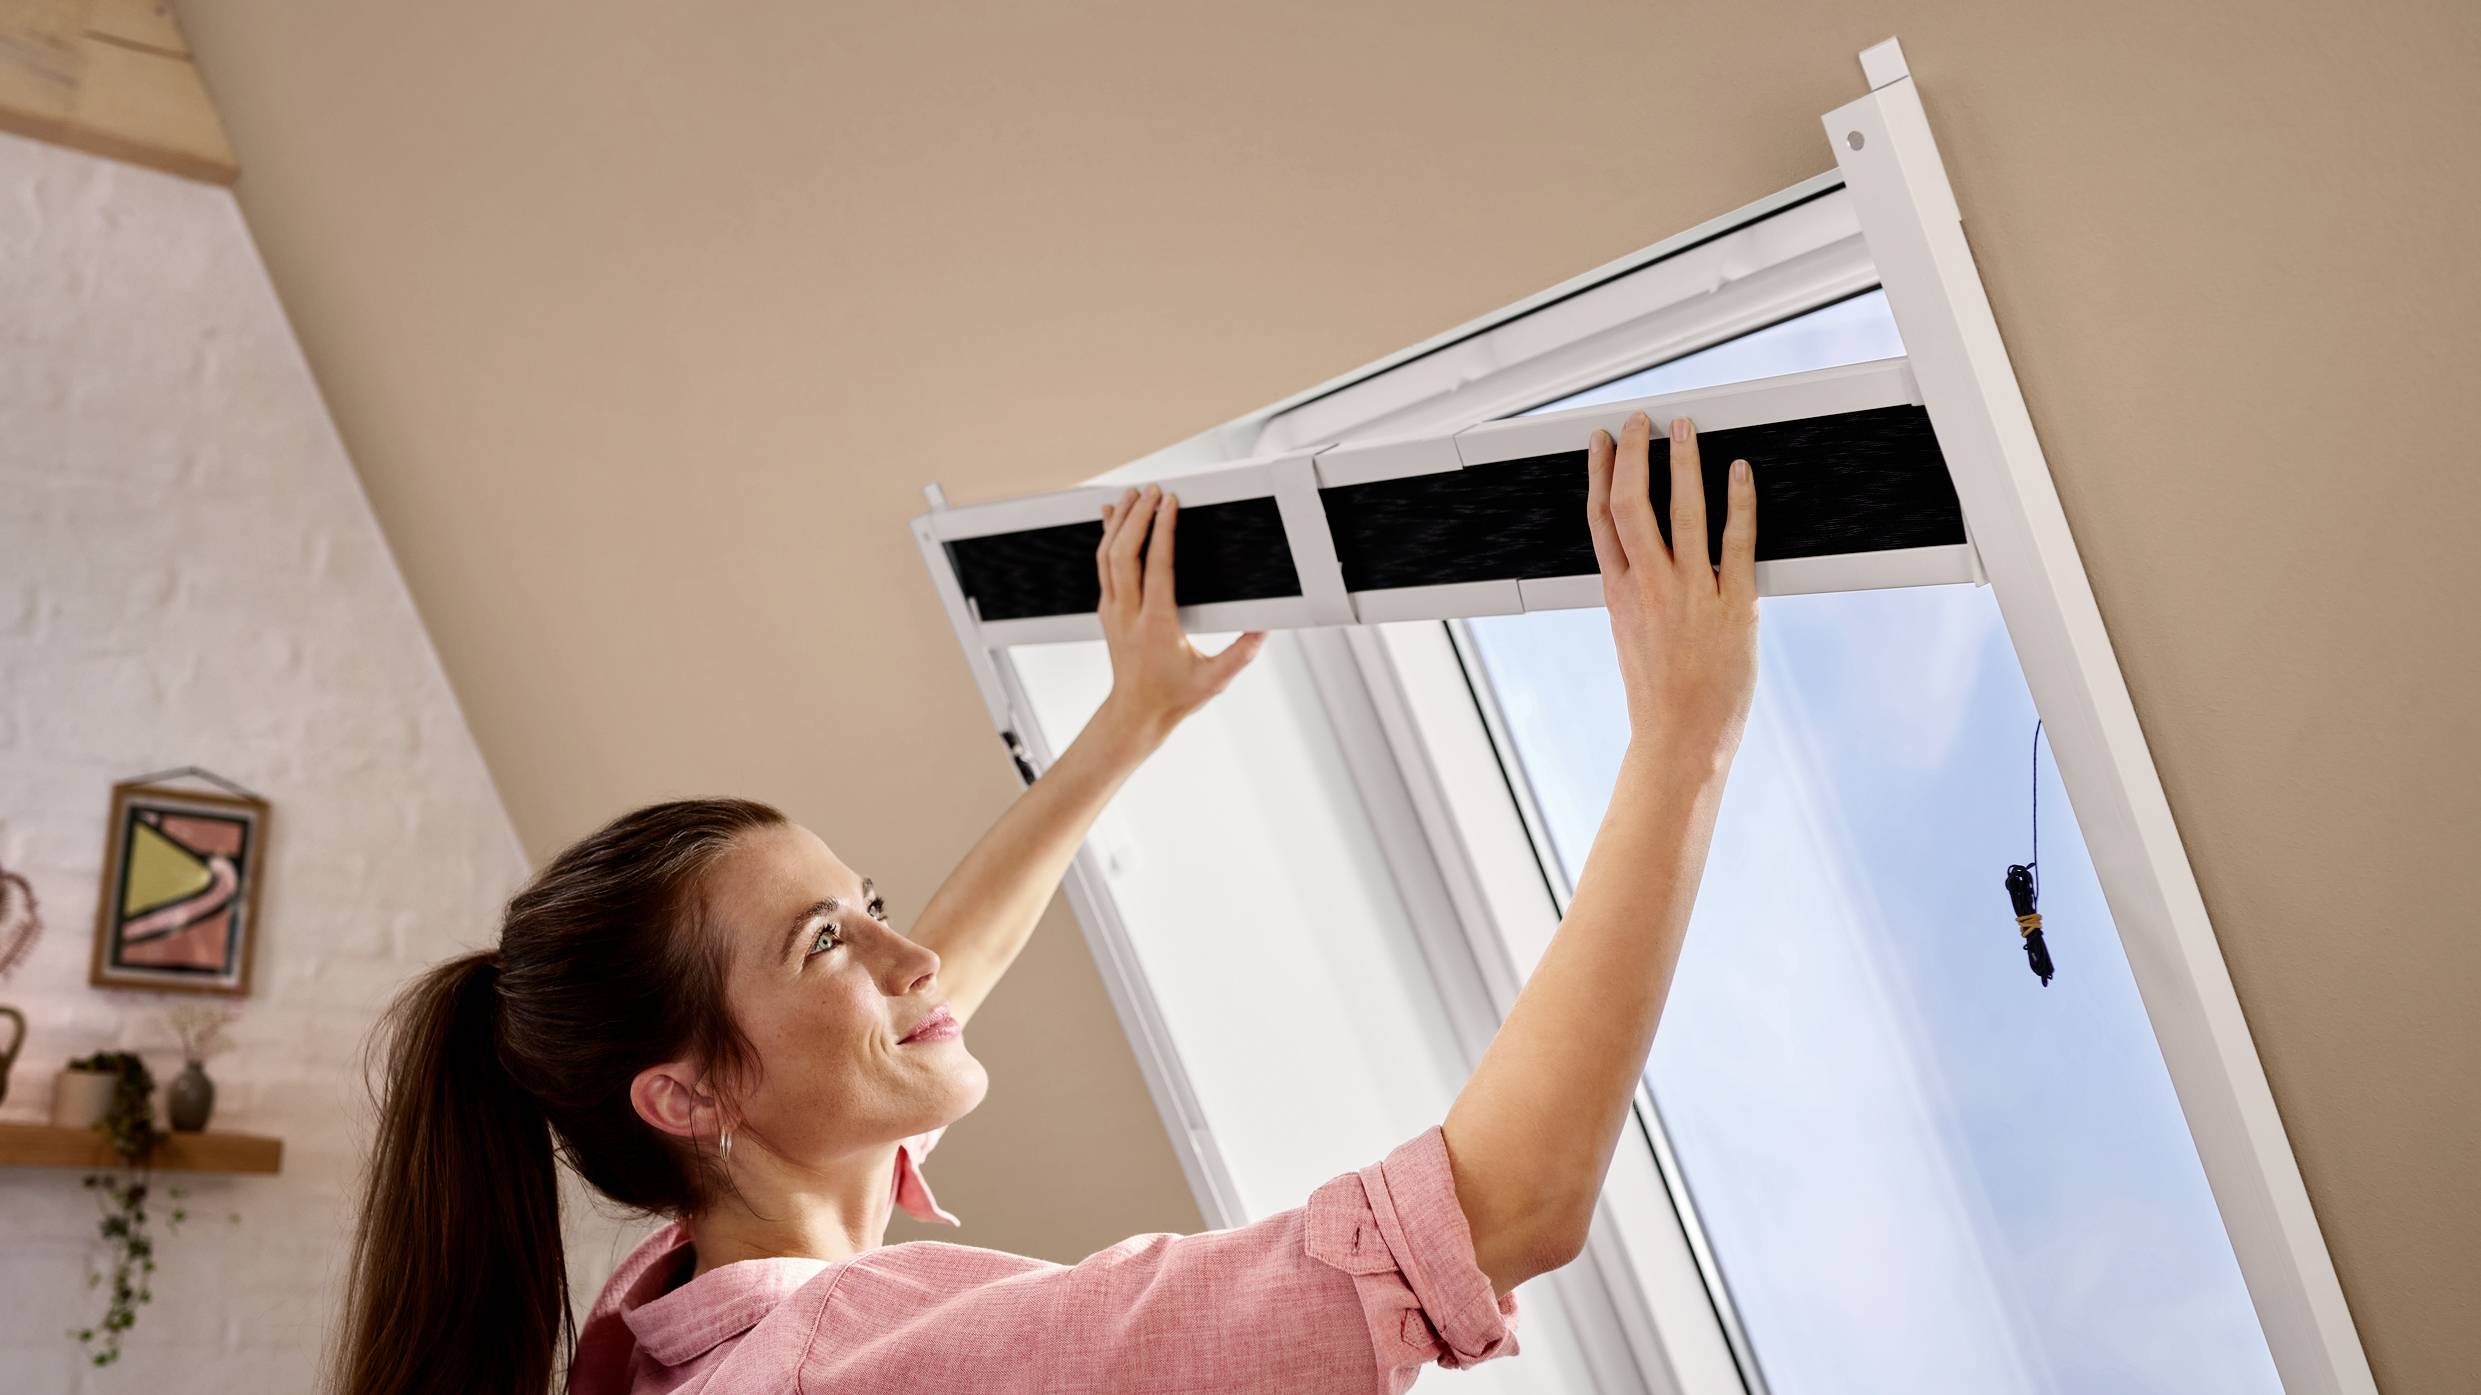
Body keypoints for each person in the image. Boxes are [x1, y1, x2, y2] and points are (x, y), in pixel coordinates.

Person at [335, 412, 1759, 1395]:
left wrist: (1126, 724)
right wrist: (1682, 740)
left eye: (865, 902)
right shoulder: (871, 1357)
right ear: (687, 1096)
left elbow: (911, 995)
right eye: (827, 940)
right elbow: (1503, 1211)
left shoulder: (665, 1312)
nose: (907, 955)